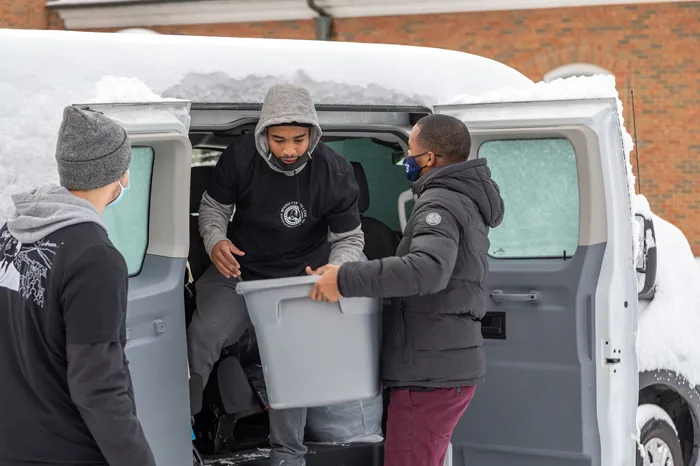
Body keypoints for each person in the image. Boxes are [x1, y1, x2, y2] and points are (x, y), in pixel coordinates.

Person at [187, 83, 381, 466]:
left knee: (292, 361)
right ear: (263, 134)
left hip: (299, 279)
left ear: (312, 133)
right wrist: (215, 242)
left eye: (298, 139)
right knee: (203, 334)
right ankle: (179, 428)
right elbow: (212, 210)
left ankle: (288, 455)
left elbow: (349, 237)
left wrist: (336, 270)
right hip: (239, 271)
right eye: (279, 140)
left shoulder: (333, 169)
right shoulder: (240, 158)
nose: (290, 150)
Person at [307, 114, 505, 466]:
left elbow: (427, 271)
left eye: (410, 151)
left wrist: (343, 278)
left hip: (429, 372)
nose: (406, 160)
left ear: (428, 158)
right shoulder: (462, 199)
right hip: (441, 365)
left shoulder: (440, 203)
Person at [0, 106, 155, 466]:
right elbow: (97, 385)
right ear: (119, 174)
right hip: (67, 450)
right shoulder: (95, 258)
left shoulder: (9, 236)